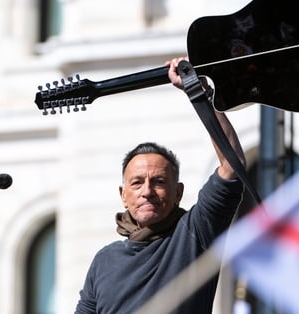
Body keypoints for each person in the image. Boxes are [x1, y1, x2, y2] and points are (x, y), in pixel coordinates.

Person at [74, 57, 246, 314]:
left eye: (158, 182)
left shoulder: (195, 233)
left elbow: (232, 166)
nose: (147, 191)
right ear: (123, 195)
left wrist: (198, 93)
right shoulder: (104, 261)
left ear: (178, 193)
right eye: (137, 183)